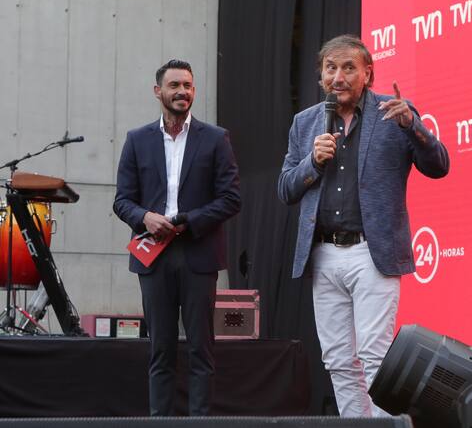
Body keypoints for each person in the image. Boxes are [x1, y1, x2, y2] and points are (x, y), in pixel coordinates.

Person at [278, 34, 449, 417]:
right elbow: (286, 189)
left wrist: (412, 126)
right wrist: (312, 163)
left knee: (375, 356)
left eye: (348, 68)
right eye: (331, 68)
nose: (338, 77)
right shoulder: (305, 123)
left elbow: (439, 165)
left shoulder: (394, 114)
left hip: (372, 253)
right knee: (338, 360)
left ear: (368, 73)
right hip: (323, 256)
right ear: (321, 74)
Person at [114, 59, 241, 416]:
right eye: (174, 85)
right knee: (161, 351)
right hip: (153, 256)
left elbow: (231, 199)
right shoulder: (137, 140)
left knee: (202, 351)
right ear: (158, 92)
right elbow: (122, 201)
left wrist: (189, 221)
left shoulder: (215, 138)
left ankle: (200, 424)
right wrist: (145, 218)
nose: (182, 91)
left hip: (198, 253)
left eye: (187, 85)